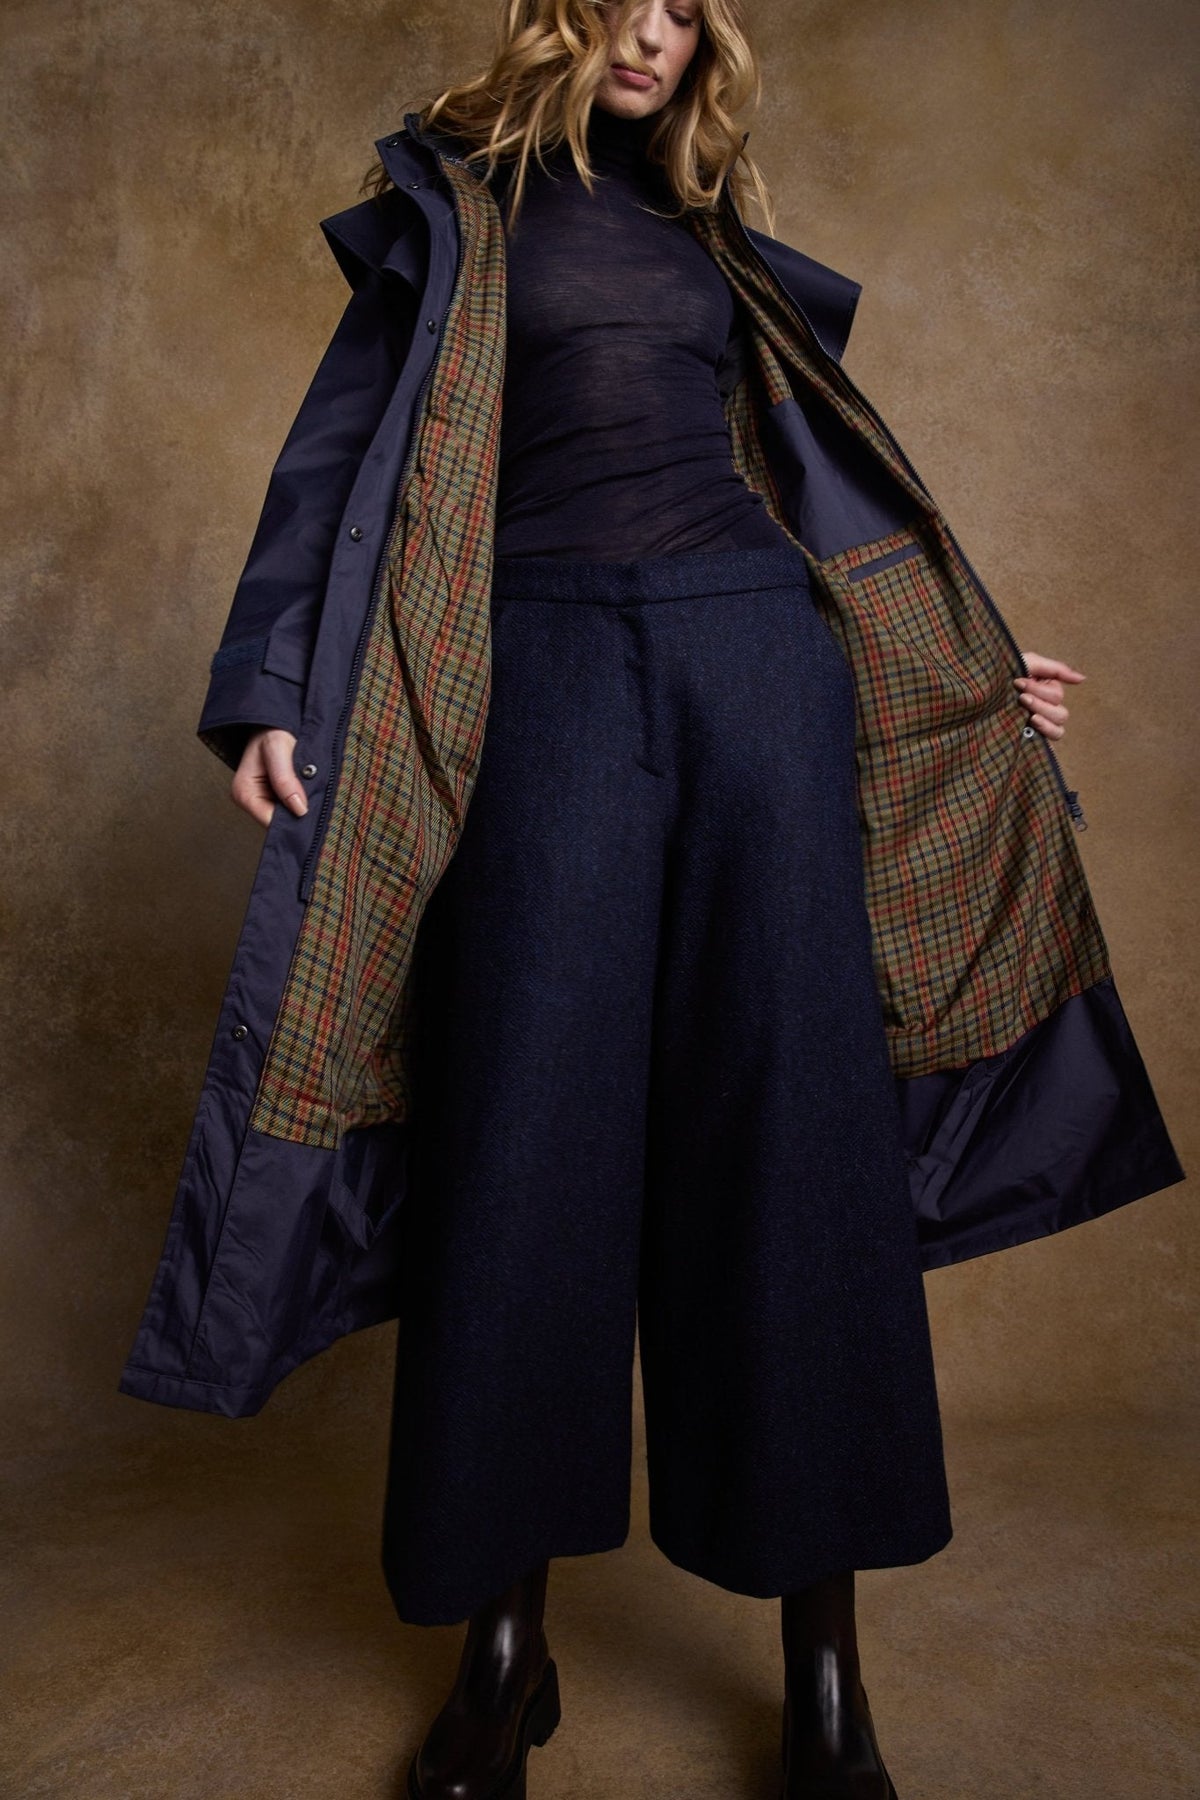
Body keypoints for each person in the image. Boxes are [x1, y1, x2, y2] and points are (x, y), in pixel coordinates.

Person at [118, 3, 1186, 1797]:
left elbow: (833, 488)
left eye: (688, 8)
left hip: (762, 673)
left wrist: (967, 669)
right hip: (536, 682)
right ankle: (503, 1651)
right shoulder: (453, 209)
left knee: (796, 1146)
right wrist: (272, 691)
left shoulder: (711, 236)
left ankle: (827, 1673)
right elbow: (331, 465)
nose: (654, 31)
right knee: (520, 1143)